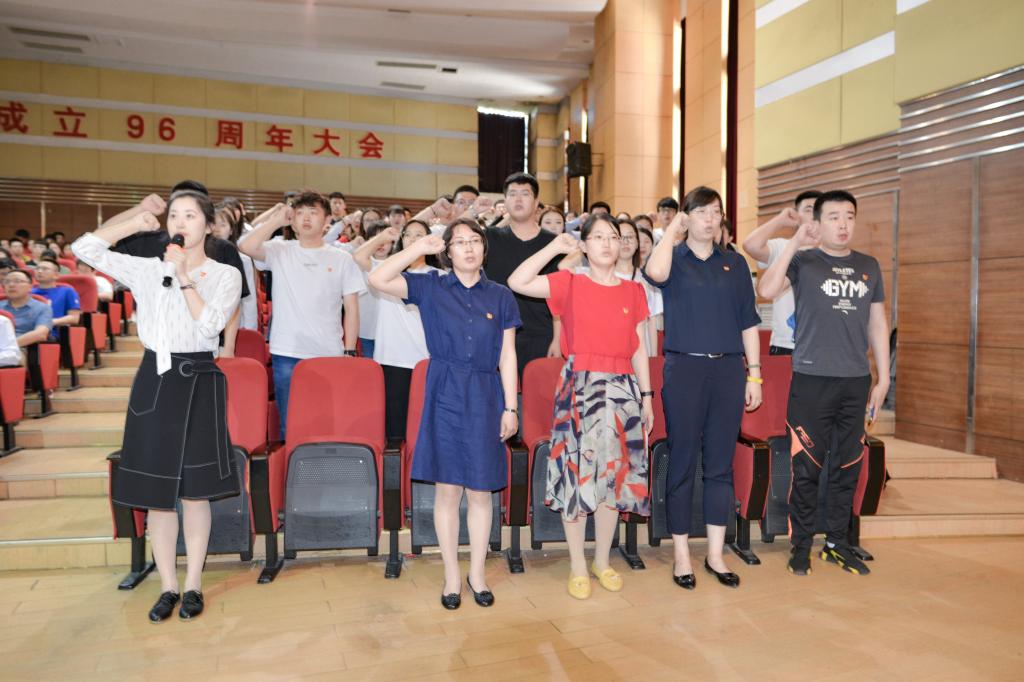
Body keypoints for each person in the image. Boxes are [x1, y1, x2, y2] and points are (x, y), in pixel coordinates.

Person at [72, 189, 242, 623]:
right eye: (174, 216)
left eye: (191, 216)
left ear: (209, 225)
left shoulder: (225, 274)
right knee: (158, 496)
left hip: (199, 378)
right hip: (156, 378)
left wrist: (184, 277)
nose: (180, 223)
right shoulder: (148, 269)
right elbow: (84, 249)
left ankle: (193, 583)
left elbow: (211, 326)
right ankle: (167, 585)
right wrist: (135, 222)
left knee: (196, 493)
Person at [369, 217, 519, 610]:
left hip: (486, 393)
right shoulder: (431, 286)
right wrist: (418, 248)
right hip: (445, 390)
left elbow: (508, 355)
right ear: (447, 251)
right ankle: (452, 574)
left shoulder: (501, 295)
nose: (469, 248)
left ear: (484, 248)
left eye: (475, 241)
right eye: (459, 242)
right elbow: (378, 278)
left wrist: (511, 406)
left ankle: (477, 574)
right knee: (448, 490)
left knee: (482, 491)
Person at [508, 218, 654, 599]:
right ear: (585, 246)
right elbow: (518, 281)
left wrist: (647, 396)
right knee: (576, 478)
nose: (607, 243)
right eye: (598, 237)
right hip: (580, 388)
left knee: (613, 481)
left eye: (613, 237)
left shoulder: (634, 290)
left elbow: (639, 347)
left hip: (623, 389)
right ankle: (577, 564)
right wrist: (554, 249)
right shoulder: (570, 282)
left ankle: (602, 561)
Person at [757, 190, 890, 577]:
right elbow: (766, 291)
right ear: (817, 222)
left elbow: (877, 323)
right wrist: (795, 242)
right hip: (812, 380)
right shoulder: (804, 261)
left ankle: (837, 544)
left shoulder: (869, 266)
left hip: (855, 381)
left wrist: (882, 378)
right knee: (807, 467)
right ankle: (800, 546)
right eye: (834, 217)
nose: (843, 224)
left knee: (848, 466)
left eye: (849, 216)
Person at [644, 186, 762, 591]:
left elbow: (749, 322)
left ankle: (714, 554)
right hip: (684, 369)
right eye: (701, 212)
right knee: (682, 461)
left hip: (728, 370)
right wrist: (672, 230)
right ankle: (681, 554)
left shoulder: (735, 263)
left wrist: (755, 374)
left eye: (716, 213)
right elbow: (655, 274)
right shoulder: (673, 258)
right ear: (687, 217)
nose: (710, 220)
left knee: (719, 465)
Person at [238, 192, 364, 439]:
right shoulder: (280, 250)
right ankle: (291, 466)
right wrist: (276, 221)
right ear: (292, 221)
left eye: (313, 213)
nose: (306, 218)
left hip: (328, 352)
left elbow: (352, 308)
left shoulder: (342, 258)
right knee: (290, 424)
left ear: (327, 220)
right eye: (300, 213)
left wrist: (349, 351)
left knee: (327, 422)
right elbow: (245, 246)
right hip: (287, 352)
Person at [356, 219, 439, 439]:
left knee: (424, 423)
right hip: (392, 358)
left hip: (426, 358)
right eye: (408, 234)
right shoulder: (386, 271)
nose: (413, 239)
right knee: (395, 426)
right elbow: (359, 256)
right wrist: (383, 237)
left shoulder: (439, 276)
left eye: (419, 234)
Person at [485, 172, 562, 377]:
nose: (518, 199)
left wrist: (558, 338)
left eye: (525, 194)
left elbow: (560, 295)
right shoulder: (489, 238)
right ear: (505, 201)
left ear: (536, 202)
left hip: (541, 334)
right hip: (496, 333)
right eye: (512, 194)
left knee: (538, 394)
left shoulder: (553, 244)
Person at [559, 218, 662, 356]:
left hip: (641, 352)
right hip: (607, 352)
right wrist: (585, 247)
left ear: (637, 243)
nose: (625, 242)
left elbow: (652, 321)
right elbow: (563, 267)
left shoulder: (647, 279)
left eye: (631, 237)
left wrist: (653, 356)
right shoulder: (596, 275)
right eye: (619, 237)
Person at [742, 190, 821, 355]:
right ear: (797, 215)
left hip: (821, 345)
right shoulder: (782, 246)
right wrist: (780, 220)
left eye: (819, 209)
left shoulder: (832, 253)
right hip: (785, 344)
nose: (814, 214)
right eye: (808, 209)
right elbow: (750, 245)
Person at [213, 205, 258, 331]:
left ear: (231, 230)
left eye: (223, 225)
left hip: (234, 325)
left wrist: (249, 329)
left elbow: (248, 300)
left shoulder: (243, 260)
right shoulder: (198, 257)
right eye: (214, 224)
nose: (217, 229)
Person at [352, 220, 391, 360]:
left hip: (390, 332)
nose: (381, 244)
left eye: (385, 240)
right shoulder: (360, 264)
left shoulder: (398, 263)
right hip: (366, 330)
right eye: (376, 239)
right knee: (369, 368)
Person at [32, 257, 81, 340]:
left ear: (56, 275)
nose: (39, 271)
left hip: (51, 333)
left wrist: (51, 322)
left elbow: (74, 318)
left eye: (45, 269)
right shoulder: (28, 292)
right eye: (37, 268)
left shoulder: (67, 291)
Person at [0, 269, 52, 346]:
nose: (11, 285)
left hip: (23, 347)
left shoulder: (42, 308)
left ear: (30, 286)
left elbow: (40, 334)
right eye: (7, 282)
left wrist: (7, 347)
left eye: (17, 281)